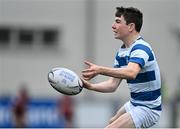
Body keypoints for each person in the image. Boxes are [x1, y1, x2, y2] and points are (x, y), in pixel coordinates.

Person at [81, 6, 161, 128]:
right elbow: (112, 85)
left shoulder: (141, 48)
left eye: (118, 22)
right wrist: (90, 86)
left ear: (131, 26)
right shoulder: (122, 51)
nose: (113, 26)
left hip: (148, 109)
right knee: (111, 122)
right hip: (135, 104)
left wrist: (100, 70)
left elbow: (131, 73)